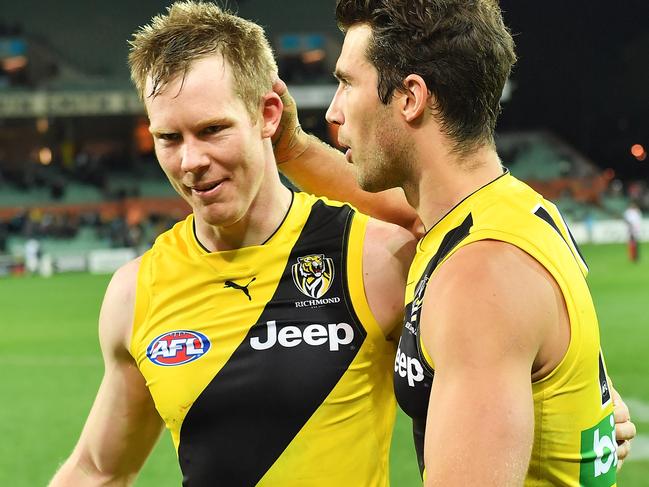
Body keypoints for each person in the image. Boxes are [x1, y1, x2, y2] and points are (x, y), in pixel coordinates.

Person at [49, 2, 416, 486]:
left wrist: (299, 149)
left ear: (267, 115)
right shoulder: (136, 293)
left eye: (211, 130)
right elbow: (99, 469)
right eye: (168, 138)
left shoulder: (372, 257)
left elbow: (446, 217)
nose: (190, 161)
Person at [271, 0, 636, 484]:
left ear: (410, 98)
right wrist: (290, 146)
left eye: (346, 83)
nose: (334, 111)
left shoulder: (479, 276)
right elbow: (371, 192)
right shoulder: (504, 210)